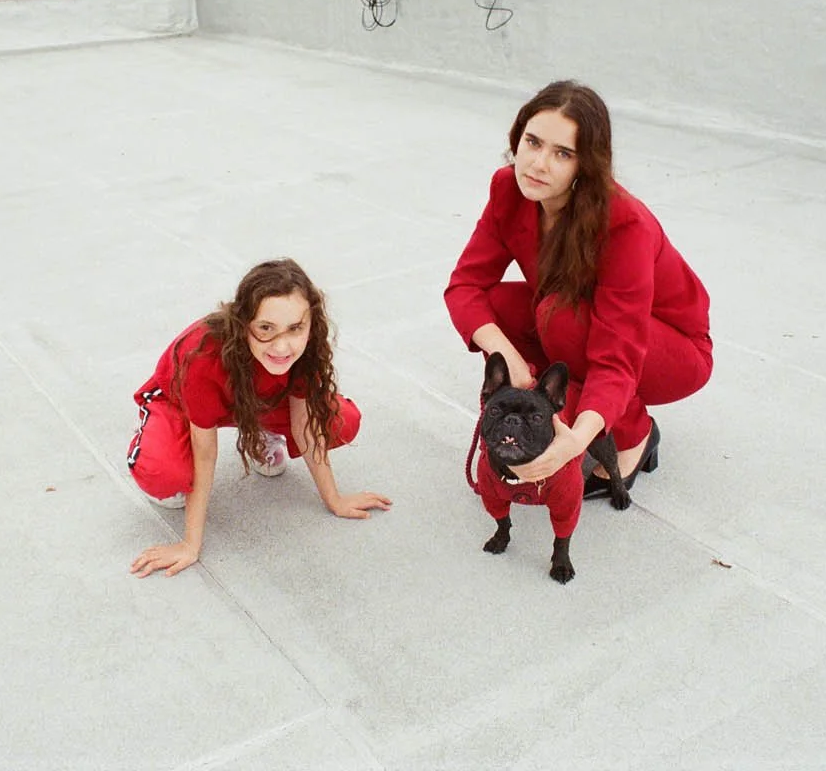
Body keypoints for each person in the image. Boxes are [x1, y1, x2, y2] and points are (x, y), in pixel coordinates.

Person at [444, 80, 713, 502]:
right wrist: (509, 357)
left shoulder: (625, 226)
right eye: (532, 142)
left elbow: (617, 358)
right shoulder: (508, 189)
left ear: (585, 165)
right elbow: (465, 286)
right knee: (499, 308)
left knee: (561, 318)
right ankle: (564, 411)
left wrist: (575, 443)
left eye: (562, 154)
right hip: (576, 320)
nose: (538, 164)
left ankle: (635, 436)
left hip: (672, 351)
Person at [126, 258, 391, 578]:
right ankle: (166, 455)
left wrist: (334, 499)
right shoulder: (203, 355)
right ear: (243, 322)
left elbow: (304, 424)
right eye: (266, 328)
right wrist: (190, 544)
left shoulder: (305, 348)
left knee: (341, 420)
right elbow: (206, 450)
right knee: (164, 474)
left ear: (310, 322)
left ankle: (258, 431)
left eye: (295, 328)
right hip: (179, 401)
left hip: (253, 399)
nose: (282, 345)